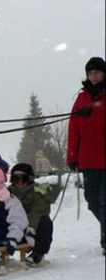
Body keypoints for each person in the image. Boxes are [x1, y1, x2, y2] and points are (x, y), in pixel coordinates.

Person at [66, 57, 106, 255]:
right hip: (89, 159)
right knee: (92, 200)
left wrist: (97, 111)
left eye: (97, 72)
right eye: (90, 73)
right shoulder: (81, 98)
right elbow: (73, 128)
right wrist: (72, 156)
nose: (94, 76)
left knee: (104, 200)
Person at [8, 163, 53, 266]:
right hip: (14, 229)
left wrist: (30, 228)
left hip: (32, 228)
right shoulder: (8, 193)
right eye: (15, 179)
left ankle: (38, 252)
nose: (19, 182)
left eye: (22, 179)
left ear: (29, 179)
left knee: (45, 222)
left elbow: (38, 211)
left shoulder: (37, 191)